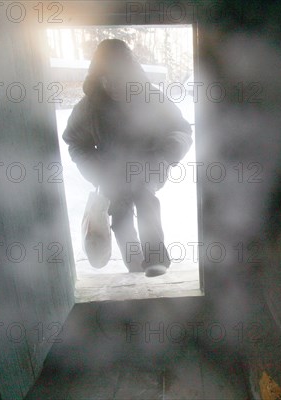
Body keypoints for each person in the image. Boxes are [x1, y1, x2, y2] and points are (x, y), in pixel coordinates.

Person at [63, 39, 193, 277]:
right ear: (98, 78)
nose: (112, 84)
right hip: (111, 172)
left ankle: (156, 260)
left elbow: (182, 129)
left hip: (149, 166)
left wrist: (164, 157)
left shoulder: (152, 99)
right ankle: (133, 264)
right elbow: (74, 141)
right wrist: (96, 168)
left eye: (118, 77)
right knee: (119, 209)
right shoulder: (90, 107)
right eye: (105, 78)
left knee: (145, 197)